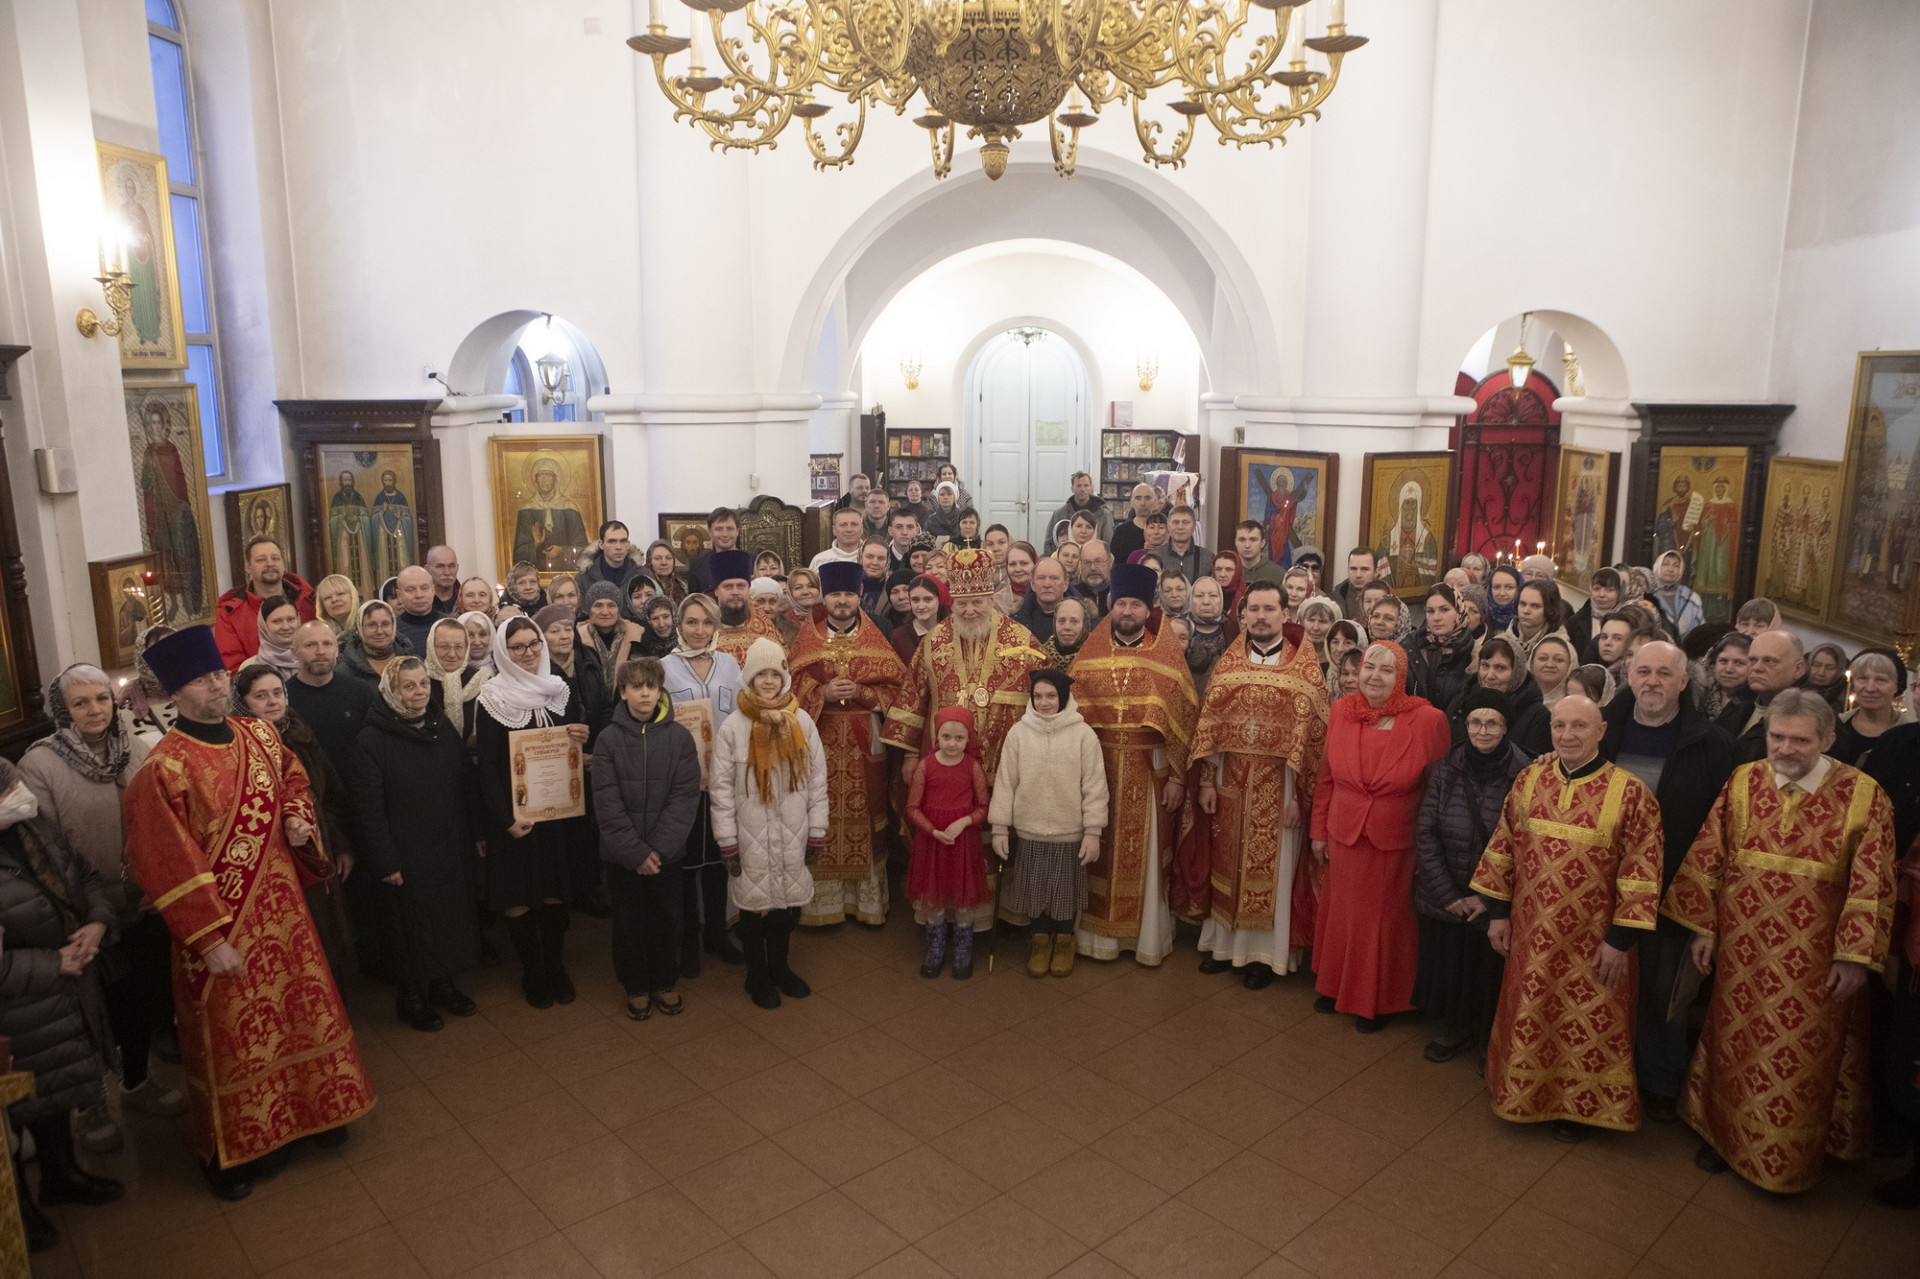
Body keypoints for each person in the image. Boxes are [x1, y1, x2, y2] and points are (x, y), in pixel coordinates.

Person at [122, 626, 374, 1199]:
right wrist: (209, 940)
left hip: (285, 915)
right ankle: (235, 1154)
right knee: (237, 1038)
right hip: (223, 930)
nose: (215, 687)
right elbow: (162, 860)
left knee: (299, 1014)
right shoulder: (162, 770)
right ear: (176, 692)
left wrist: (295, 817)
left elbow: (292, 781)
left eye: (218, 676)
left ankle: (317, 1114)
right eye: (201, 681)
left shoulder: (258, 734)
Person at [1665, 689, 1898, 1191]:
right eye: (1777, 737)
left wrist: (1855, 957)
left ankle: (1785, 1158)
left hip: (1814, 958)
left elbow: (1873, 885)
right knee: (1732, 1038)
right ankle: (1723, 1134)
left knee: (1798, 1055)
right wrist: (1705, 928)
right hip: (1743, 949)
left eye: (1799, 740)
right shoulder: (1744, 780)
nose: (1785, 749)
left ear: (1828, 739)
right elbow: (1710, 855)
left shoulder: (1863, 795)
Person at [1472, 694, 1664, 1143]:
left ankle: (1577, 1107)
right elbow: (1504, 848)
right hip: (1531, 934)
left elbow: (1642, 871)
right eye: (1559, 726)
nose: (1567, 735)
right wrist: (1498, 914)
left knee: (1586, 1027)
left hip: (1594, 942)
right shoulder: (1529, 779)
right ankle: (1520, 1091)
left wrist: (1620, 940)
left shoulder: (1631, 793)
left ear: (1600, 731)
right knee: (1530, 1014)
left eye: (1579, 726)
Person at [18, 666, 173, 1157]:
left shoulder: (138, 744)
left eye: (102, 699)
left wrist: (160, 882)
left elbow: (164, 818)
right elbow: (44, 851)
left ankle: (136, 1082)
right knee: (91, 1012)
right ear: (63, 710)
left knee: (141, 1000)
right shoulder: (40, 765)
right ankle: (91, 1108)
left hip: (143, 901)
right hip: (83, 913)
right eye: (81, 703)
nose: (95, 711)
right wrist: (83, 912)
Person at [1598, 640, 1737, 1122]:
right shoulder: (1604, 730)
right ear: (1628, 678)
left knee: (1662, 993)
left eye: (1663, 673)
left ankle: (1657, 1082)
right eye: (1643, 672)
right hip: (1603, 886)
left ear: (1684, 681)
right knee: (1604, 984)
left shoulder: (1712, 744)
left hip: (1673, 888)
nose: (1651, 681)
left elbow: (1724, 829)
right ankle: (1599, 1070)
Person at [0, 755, 124, 1251]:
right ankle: (19, 1210)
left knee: (53, 1089)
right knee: (12, 1113)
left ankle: (61, 1174)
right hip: (17, 1004)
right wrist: (53, 963)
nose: (16, 791)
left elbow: (85, 876)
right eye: (7, 788)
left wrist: (95, 922)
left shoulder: (33, 825)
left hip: (66, 985)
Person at [1182, 579, 1330, 984]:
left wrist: (1300, 798)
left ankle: (1266, 956)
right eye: (1254, 610)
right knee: (1225, 862)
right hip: (1230, 780)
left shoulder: (1305, 670)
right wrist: (1208, 781)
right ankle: (1222, 945)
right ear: (1243, 615)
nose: (1261, 617)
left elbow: (1314, 740)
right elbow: (1210, 727)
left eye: (1269, 609)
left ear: (1286, 614)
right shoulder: (1228, 665)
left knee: (1272, 871)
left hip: (1279, 785)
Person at [1309, 640, 1451, 1030]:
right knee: (1341, 914)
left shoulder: (1429, 720)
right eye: (1370, 667)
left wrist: (1431, 851)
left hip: (1395, 839)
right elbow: (1326, 778)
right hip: (1344, 831)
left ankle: (1378, 1001)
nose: (1374, 676)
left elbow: (1436, 793)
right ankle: (1335, 985)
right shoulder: (1340, 711)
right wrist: (1318, 831)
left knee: (1383, 922)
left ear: (1401, 677)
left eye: (1386, 670)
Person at [1070, 564, 1198, 967]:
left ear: (1149, 608)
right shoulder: (1090, 653)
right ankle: (1097, 939)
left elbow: (1185, 720)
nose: (1127, 611)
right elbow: (1071, 716)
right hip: (1099, 766)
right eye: (1121, 603)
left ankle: (1145, 939)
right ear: (1111, 605)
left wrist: (1178, 776)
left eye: (1136, 605)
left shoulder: (1166, 654)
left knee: (1145, 852)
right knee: (1097, 849)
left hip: (1149, 769)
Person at [348, 656, 481, 1033]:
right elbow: (367, 809)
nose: (419, 692)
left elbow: (464, 786)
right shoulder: (371, 740)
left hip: (447, 843)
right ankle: (411, 996)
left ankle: (443, 983)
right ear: (391, 690)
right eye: (409, 686)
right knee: (409, 927)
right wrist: (385, 860)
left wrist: (474, 835)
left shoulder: (440, 727)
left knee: (447, 917)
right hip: (404, 851)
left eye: (423, 684)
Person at [472, 616, 588, 1009]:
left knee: (555, 891)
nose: (528, 653)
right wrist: (505, 819)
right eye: (518, 647)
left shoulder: (560, 688)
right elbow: (485, 765)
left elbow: (575, 738)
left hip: (556, 809)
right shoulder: (492, 696)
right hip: (514, 815)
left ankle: (555, 966)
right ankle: (533, 971)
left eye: (533, 644)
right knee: (518, 894)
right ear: (504, 651)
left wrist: (581, 733)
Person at [788, 561, 908, 927]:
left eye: (848, 595)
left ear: (859, 598)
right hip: (819, 737)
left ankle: (866, 904)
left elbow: (899, 692)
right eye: (836, 594)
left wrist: (863, 692)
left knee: (867, 810)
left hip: (863, 737)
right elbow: (788, 689)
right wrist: (820, 691)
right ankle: (823, 907)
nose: (842, 601)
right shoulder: (807, 640)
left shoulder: (876, 641)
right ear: (825, 597)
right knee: (820, 812)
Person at [1413, 688, 1528, 1066]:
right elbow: (1426, 830)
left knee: (1487, 972)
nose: (1482, 730)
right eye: (1475, 722)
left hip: (1491, 898)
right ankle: (1454, 1029)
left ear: (1506, 726)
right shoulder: (1447, 768)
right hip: (1449, 892)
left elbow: (1523, 845)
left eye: (1492, 723)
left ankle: (1486, 1037)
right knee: (1450, 965)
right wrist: (1448, 894)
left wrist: (1492, 899)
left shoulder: (1525, 773)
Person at [713, 639, 827, 1010]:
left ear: (784, 677)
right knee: (752, 909)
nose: (767, 681)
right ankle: (756, 975)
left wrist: (816, 831)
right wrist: (727, 841)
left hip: (792, 831)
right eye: (759, 674)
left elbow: (816, 782)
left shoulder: (802, 721)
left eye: (773, 673)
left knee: (785, 908)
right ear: (748, 678)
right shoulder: (733, 727)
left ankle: (780, 967)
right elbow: (722, 790)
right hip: (750, 835)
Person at [595, 656, 702, 1021]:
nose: (644, 693)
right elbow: (606, 802)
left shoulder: (679, 737)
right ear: (623, 692)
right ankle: (635, 984)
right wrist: (635, 852)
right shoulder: (608, 739)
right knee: (628, 923)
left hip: (666, 855)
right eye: (636, 686)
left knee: (666, 920)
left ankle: (665, 980)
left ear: (660, 691)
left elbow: (685, 797)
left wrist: (657, 849)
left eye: (651, 686)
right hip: (622, 856)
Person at [984, 670, 1105, 977]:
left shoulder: (1083, 735)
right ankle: (1039, 941)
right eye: (1038, 696)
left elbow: (1094, 786)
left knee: (1064, 892)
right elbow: (1006, 782)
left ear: (1063, 697)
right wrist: (1000, 827)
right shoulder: (1019, 733)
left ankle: (1064, 941)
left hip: (1069, 831)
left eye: (1051, 696)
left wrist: (1093, 831)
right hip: (1031, 829)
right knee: (1036, 890)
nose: (1044, 702)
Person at [660, 594, 745, 975]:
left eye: (707, 623)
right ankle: (686, 940)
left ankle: (716, 933)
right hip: (682, 784)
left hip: (724, 779)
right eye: (692, 622)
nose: (699, 631)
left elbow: (744, 713)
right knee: (686, 863)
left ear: (716, 626)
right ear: (680, 625)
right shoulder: (663, 668)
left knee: (718, 860)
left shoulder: (729, 664)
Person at [906, 707, 992, 977]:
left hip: (963, 843)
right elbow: (912, 807)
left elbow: (983, 806)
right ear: (937, 737)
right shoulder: (925, 766)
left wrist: (963, 822)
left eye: (958, 738)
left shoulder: (972, 768)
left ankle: (963, 949)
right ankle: (935, 948)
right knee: (935, 896)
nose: (952, 744)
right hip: (932, 844)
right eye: (946, 737)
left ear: (969, 740)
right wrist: (932, 831)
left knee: (963, 895)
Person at [214, 537, 316, 671]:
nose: (270, 564)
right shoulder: (231, 614)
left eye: (275, 558)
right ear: (248, 566)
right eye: (261, 560)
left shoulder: (309, 600)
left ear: (283, 563)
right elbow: (232, 667)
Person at [1447, 636, 1551, 756]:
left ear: (1517, 671)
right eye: (1485, 666)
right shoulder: (1460, 702)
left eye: (1500, 668)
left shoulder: (1537, 716)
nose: (1490, 675)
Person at [1718, 628, 1808, 762]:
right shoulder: (1737, 705)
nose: (1757, 668)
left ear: (1798, 669)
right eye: (1753, 660)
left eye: (1769, 661)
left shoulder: (1808, 720)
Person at [1834, 649, 1913, 765]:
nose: (1870, 688)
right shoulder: (1835, 726)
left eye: (1881, 680)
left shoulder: (1910, 738)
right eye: (1862, 679)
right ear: (1853, 684)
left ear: (1897, 687)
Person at [707, 549, 781, 667]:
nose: (735, 592)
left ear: (748, 589)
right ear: (716, 591)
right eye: (728, 587)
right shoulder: (705, 631)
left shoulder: (766, 631)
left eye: (741, 586)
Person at [1411, 583, 1476, 712]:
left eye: (1444, 609)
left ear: (1459, 611)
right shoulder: (1412, 647)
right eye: (1430, 611)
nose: (1436, 618)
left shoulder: (1474, 653)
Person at [340, 599, 411, 690]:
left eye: (385, 624)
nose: (379, 631)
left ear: (393, 626)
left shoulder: (412, 661)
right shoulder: (345, 672)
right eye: (371, 625)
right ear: (360, 628)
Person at [1012, 556, 1072, 644]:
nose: (1047, 584)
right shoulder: (1016, 622)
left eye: (1054, 578)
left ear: (1065, 584)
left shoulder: (1083, 620)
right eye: (1041, 578)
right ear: (1032, 584)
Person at [1650, 549, 1705, 638]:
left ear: (1681, 570)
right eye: (1666, 564)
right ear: (1657, 566)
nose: (1670, 569)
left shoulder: (1691, 598)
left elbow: (1700, 632)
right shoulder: (1648, 594)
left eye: (1676, 566)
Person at [1700, 631, 1751, 722]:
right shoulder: (1696, 698)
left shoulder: (1758, 704)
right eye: (1723, 661)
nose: (1728, 669)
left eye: (1739, 663)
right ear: (1713, 664)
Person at [687, 507, 741, 593]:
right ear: (710, 532)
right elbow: (694, 602)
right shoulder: (698, 566)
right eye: (719, 529)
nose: (725, 534)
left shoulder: (753, 563)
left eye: (729, 528)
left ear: (737, 531)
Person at [1233, 519, 1288, 589]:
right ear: (1235, 543)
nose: (1247, 545)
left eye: (1253, 540)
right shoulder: (1225, 571)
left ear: (1262, 543)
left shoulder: (1279, 574)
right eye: (1242, 540)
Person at [1041, 596, 1089, 670]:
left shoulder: (1097, 657)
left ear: (1084, 624)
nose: (1067, 627)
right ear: (1054, 623)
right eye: (1061, 621)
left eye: (1074, 621)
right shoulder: (1040, 658)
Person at [1530, 635, 1577, 710]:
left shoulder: (1578, 702)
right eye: (1543, 658)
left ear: (1571, 664)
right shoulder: (1518, 699)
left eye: (1558, 660)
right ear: (1531, 663)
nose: (1549, 665)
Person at [1332, 548, 1376, 621]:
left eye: (1365, 569)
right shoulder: (1334, 599)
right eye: (1353, 569)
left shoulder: (1388, 599)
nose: (1358, 575)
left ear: (1376, 571)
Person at [1806, 642, 1850, 713]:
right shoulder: (1796, 685)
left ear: (1840, 670)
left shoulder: (1845, 700)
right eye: (1817, 665)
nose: (1821, 673)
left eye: (1830, 668)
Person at [314, 573, 361, 638]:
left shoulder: (368, 624)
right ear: (322, 605)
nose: (334, 599)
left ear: (353, 596)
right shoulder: (317, 634)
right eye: (327, 597)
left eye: (340, 594)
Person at [1484, 564, 1522, 635]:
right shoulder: (1482, 617)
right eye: (1496, 587)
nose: (1502, 593)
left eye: (1509, 587)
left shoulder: (1525, 619)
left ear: (1518, 589)